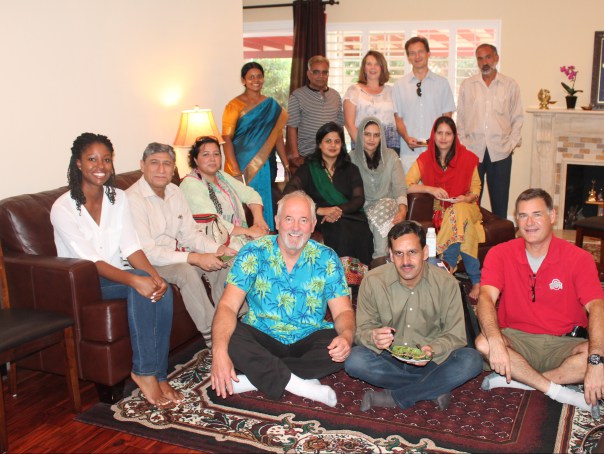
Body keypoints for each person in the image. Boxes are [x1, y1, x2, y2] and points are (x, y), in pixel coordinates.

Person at [51, 133, 180, 408]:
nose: (101, 165)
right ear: (78, 163)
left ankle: (159, 373)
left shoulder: (117, 197)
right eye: (92, 159)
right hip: (82, 282)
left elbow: (131, 246)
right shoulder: (62, 208)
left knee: (161, 288)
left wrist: (155, 278)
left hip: (114, 274)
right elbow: (91, 262)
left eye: (106, 159)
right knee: (140, 286)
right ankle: (143, 372)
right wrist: (136, 279)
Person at [210, 191, 355, 407]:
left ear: (314, 224)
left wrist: (346, 337)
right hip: (263, 334)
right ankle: (301, 384)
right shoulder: (252, 253)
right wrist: (218, 352)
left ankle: (255, 378)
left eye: (303, 220)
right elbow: (228, 306)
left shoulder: (327, 258)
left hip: (308, 335)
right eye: (289, 219)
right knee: (229, 335)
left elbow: (343, 311)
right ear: (277, 222)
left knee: (345, 345)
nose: (296, 227)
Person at [476, 188, 604, 419]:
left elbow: (597, 307)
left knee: (601, 356)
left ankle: (524, 380)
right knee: (483, 342)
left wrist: (596, 361)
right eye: (523, 216)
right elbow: (485, 297)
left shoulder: (579, 258)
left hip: (563, 343)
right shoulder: (500, 254)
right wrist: (495, 341)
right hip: (516, 340)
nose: (529, 223)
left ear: (552, 216)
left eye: (537, 214)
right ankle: (558, 390)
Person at [345, 221, 483, 412]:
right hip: (389, 358)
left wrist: (432, 350)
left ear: (425, 252)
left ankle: (395, 397)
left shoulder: (446, 283)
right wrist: (373, 337)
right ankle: (434, 387)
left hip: (432, 361)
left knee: (471, 360)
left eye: (412, 252)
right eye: (399, 253)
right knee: (354, 360)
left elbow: (456, 336)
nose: (406, 261)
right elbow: (361, 331)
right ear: (391, 255)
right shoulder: (373, 281)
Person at [126, 142, 238, 348]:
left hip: (176, 253)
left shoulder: (175, 191)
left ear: (173, 168)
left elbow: (189, 234)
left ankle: (234, 322)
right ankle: (211, 333)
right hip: (149, 263)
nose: (161, 170)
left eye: (167, 164)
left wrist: (217, 249)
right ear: (142, 165)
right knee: (185, 271)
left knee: (223, 262)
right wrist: (194, 257)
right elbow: (148, 252)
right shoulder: (132, 199)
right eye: (154, 163)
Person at [405, 116, 484, 299]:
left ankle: (445, 266)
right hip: (441, 210)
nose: (443, 137)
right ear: (434, 135)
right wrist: (430, 189)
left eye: (448, 133)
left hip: (468, 207)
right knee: (465, 228)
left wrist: (466, 197)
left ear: (454, 136)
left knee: (459, 209)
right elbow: (407, 184)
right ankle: (476, 280)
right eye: (439, 133)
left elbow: (476, 189)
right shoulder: (425, 159)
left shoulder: (468, 158)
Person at [283, 122, 374, 266]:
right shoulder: (309, 168)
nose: (333, 145)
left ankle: (359, 282)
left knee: (364, 232)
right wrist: (318, 209)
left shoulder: (351, 169)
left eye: (337, 141)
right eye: (328, 141)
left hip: (349, 215)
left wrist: (338, 211)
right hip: (321, 217)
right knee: (340, 231)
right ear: (320, 144)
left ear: (342, 145)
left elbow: (359, 199)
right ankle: (337, 277)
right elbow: (289, 192)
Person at [457, 44, 523, 220]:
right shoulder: (467, 85)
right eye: (480, 58)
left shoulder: (510, 85)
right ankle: (473, 240)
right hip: (472, 152)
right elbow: (461, 119)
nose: (484, 62)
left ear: (496, 58)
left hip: (500, 152)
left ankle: (500, 243)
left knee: (500, 203)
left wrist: (510, 145)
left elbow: (517, 118)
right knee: (471, 202)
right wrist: (463, 144)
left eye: (488, 57)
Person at [222, 62, 289, 231]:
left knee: (267, 203)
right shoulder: (233, 105)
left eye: (259, 76)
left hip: (267, 165)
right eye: (251, 77)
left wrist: (286, 164)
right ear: (243, 80)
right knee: (242, 207)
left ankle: (267, 238)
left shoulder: (271, 105)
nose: (256, 80)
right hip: (242, 166)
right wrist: (235, 169)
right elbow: (227, 139)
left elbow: (278, 137)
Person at [180, 136, 270, 251]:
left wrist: (258, 220)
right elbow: (212, 223)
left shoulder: (221, 176)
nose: (212, 159)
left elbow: (251, 194)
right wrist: (249, 232)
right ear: (196, 160)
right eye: (206, 154)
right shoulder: (191, 184)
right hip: (213, 245)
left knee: (274, 247)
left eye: (216, 154)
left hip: (239, 238)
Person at [392, 36, 455, 173]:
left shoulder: (442, 84)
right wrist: (407, 138)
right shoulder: (399, 85)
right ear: (408, 57)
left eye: (420, 51)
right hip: (409, 154)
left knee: (437, 193)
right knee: (410, 193)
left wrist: (439, 140)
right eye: (412, 53)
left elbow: (447, 118)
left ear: (428, 54)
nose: (417, 56)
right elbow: (398, 118)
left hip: (437, 152)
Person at [349, 117, 407, 262]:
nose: (371, 139)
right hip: (362, 207)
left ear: (381, 136)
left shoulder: (391, 157)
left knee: (384, 207)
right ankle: (379, 266)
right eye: (367, 134)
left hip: (388, 205)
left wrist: (403, 210)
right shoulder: (351, 158)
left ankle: (379, 259)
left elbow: (400, 188)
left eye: (376, 135)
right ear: (360, 136)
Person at [286, 55, 344, 168]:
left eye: (324, 72)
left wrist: (342, 152)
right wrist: (295, 156)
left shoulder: (335, 96)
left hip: (333, 157)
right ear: (309, 74)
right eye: (316, 72)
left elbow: (340, 127)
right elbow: (291, 127)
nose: (320, 76)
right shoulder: (297, 96)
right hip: (307, 157)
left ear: (328, 75)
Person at [343, 50, 399, 154]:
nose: (373, 67)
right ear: (364, 68)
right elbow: (349, 124)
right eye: (369, 64)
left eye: (377, 64)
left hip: (390, 148)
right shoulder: (354, 91)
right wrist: (366, 148)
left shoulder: (391, 91)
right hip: (362, 149)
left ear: (382, 68)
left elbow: (398, 119)